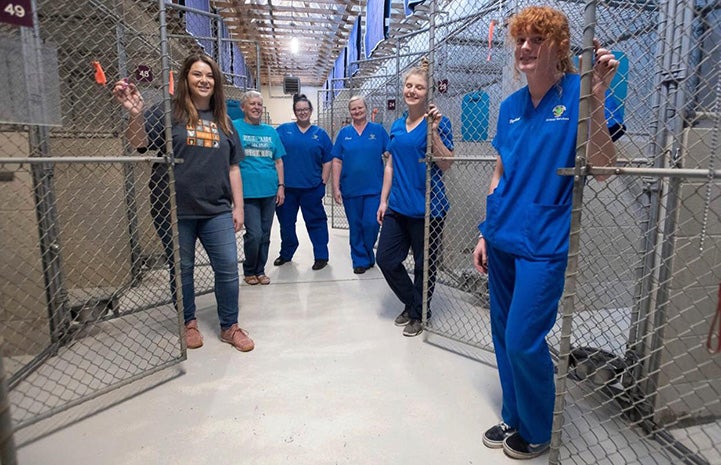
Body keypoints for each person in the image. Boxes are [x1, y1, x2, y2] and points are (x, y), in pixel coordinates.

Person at [472, 6, 618, 459]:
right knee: (501, 335)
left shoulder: (579, 93)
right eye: (521, 40)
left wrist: (595, 99)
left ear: (558, 47)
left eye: (537, 39)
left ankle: (538, 429)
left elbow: (605, 170)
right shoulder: (510, 107)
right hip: (502, 237)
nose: (525, 48)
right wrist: (484, 230)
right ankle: (514, 415)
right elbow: (500, 171)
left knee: (522, 338)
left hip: (543, 245)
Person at [113, 53, 254, 352]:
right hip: (173, 209)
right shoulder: (167, 113)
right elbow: (138, 143)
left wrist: (238, 206)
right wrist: (135, 114)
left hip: (216, 208)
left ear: (216, 82)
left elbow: (233, 167)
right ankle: (188, 322)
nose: (204, 80)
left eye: (210, 76)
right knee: (183, 268)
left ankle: (230, 326)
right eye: (197, 75)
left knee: (228, 267)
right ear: (186, 79)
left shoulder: (224, 122)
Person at [376, 59, 454, 338]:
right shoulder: (396, 125)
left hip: (428, 208)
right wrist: (384, 201)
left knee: (424, 265)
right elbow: (390, 165)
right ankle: (414, 303)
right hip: (398, 204)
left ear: (427, 92)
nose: (412, 90)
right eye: (408, 85)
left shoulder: (438, 123)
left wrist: (433, 132)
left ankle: (419, 313)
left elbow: (446, 164)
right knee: (385, 259)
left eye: (418, 87)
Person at [331, 95, 389, 274]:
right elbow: (337, 161)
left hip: (374, 188)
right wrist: (335, 186)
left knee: (371, 224)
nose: (357, 111)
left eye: (360, 108)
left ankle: (367, 255)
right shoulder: (344, 134)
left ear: (366, 108)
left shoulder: (378, 131)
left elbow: (389, 155)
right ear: (350, 112)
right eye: (353, 109)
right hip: (350, 189)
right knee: (355, 225)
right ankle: (360, 260)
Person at [275, 94, 333, 270]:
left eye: (305, 109)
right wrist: (280, 185)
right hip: (287, 189)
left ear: (311, 111)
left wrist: (323, 180)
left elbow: (328, 159)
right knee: (286, 223)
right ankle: (287, 252)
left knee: (316, 222)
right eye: (299, 110)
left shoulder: (320, 134)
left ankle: (321, 255)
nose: (302, 112)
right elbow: (275, 156)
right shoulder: (283, 131)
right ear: (294, 112)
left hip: (312, 188)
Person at [233, 90, 286, 286]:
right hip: (247, 192)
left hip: (269, 191)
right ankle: (249, 269)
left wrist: (281, 186)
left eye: (258, 104)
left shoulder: (271, 132)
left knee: (265, 233)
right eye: (252, 104)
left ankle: (260, 270)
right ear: (243, 107)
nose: (256, 107)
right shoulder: (234, 128)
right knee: (254, 234)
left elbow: (278, 161)